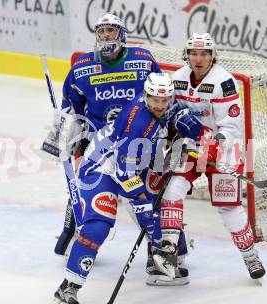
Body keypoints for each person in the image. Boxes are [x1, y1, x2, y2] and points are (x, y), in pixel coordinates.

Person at [53, 72, 204, 304]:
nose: (161, 106)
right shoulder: (138, 123)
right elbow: (125, 174)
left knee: (158, 211)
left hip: (137, 161)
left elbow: (174, 110)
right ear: (146, 96)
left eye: (165, 100)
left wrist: (183, 117)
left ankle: (161, 257)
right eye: (156, 100)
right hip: (102, 167)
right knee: (98, 227)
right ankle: (68, 287)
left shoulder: (162, 100)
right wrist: (141, 202)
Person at [148, 33, 266, 286]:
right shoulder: (178, 77)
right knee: (171, 192)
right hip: (189, 146)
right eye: (193, 53)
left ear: (213, 56)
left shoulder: (224, 82)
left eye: (204, 54)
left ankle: (250, 255)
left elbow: (232, 126)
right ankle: (170, 253)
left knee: (229, 207)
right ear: (186, 55)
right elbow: (168, 111)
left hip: (225, 149)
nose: (198, 59)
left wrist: (211, 147)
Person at [42, 12, 164, 255]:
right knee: (88, 189)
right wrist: (60, 136)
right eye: (101, 31)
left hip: (139, 144)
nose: (106, 35)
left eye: (111, 30)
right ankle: (74, 234)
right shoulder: (83, 66)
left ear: (122, 34)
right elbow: (70, 107)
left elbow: (161, 95)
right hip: (100, 145)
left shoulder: (143, 59)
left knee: (145, 199)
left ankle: (159, 249)